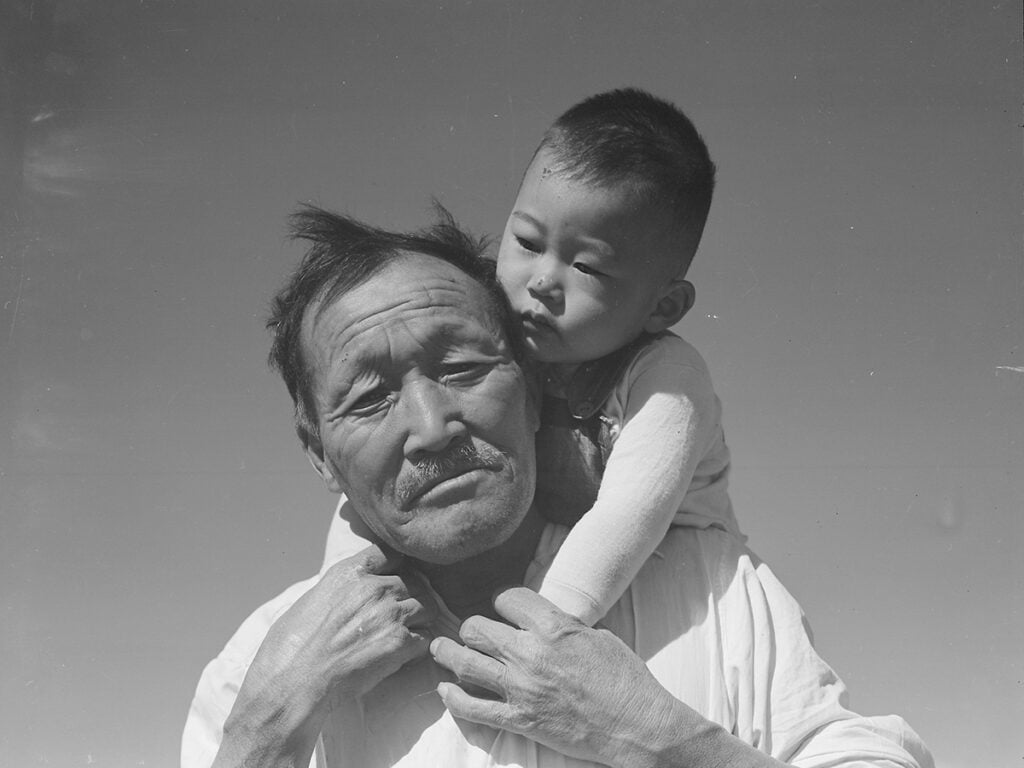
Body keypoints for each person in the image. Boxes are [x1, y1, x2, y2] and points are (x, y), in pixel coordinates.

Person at [182, 206, 933, 768]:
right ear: (318, 455)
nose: (432, 425)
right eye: (370, 398)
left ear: (537, 388)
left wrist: (658, 738)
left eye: (462, 367)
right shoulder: (261, 666)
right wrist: (266, 728)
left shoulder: (707, 583)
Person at [325, 89, 738, 626]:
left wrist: (538, 637)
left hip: (668, 582)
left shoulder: (666, 380)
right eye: (526, 241)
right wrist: (339, 599)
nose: (542, 280)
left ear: (664, 306)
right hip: (557, 564)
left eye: (587, 268)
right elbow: (370, 490)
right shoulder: (501, 341)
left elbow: (627, 517)